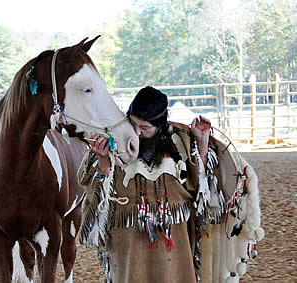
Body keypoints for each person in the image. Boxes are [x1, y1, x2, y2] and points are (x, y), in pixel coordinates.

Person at [78, 86, 261, 282]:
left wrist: (202, 143)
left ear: (159, 125)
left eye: (145, 128)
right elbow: (98, 196)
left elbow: (202, 191)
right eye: (133, 124)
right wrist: (104, 162)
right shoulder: (115, 143)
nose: (137, 132)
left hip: (173, 242)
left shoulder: (181, 145)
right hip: (128, 242)